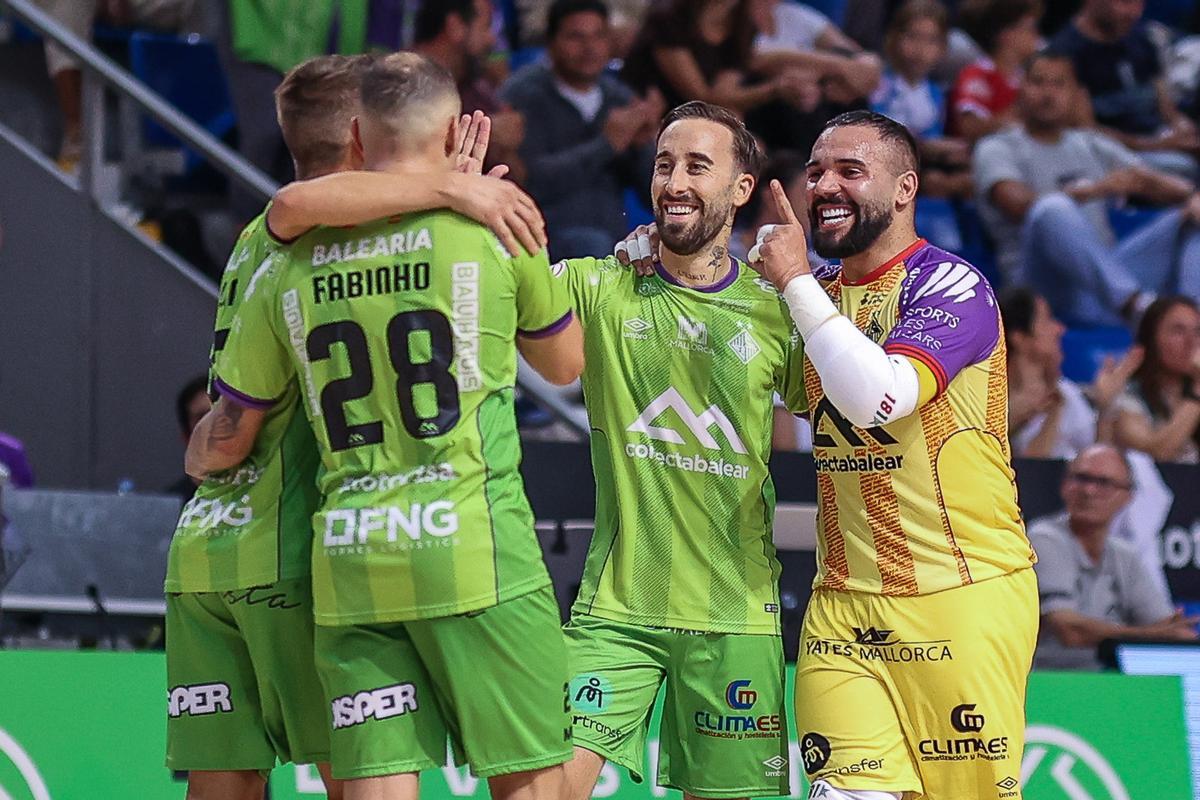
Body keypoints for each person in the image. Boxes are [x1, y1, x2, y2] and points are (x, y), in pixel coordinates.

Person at [185, 53, 583, 800]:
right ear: (454, 133)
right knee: (530, 778)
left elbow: (229, 428)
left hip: (352, 554)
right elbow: (565, 365)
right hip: (474, 544)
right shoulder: (495, 228)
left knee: (373, 782)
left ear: (359, 138)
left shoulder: (292, 255)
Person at [754, 109, 1037, 798]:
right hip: (843, 605)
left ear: (905, 188)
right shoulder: (811, 295)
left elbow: (878, 399)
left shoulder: (952, 286)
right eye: (816, 171)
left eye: (850, 171)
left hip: (961, 595)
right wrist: (662, 260)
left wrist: (793, 284)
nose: (825, 186)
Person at [560, 101, 806, 800]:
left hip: (736, 616)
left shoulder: (776, 309)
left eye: (698, 166)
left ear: (741, 188)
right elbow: (494, 299)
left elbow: (848, 403)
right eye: (664, 165)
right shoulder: (601, 284)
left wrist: (805, 282)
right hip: (616, 611)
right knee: (540, 789)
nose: (674, 182)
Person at [973, 50, 1200, 322]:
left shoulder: (1089, 143)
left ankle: (1193, 325)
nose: (1048, 93)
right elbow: (1018, 205)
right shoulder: (997, 147)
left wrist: (1190, 195)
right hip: (1043, 290)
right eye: (1038, 82)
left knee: (1193, 215)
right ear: (1021, 89)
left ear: (1076, 94)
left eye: (1058, 84)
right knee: (1050, 208)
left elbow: (1148, 178)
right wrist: (1096, 190)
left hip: (1107, 277)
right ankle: (1135, 306)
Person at [500, 0, 662, 259]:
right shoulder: (524, 95)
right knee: (594, 245)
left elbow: (649, 195)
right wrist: (606, 145)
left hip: (613, 239)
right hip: (545, 239)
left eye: (599, 36)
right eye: (576, 37)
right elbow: (531, 183)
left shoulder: (619, 97)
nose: (590, 48)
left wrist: (644, 144)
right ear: (551, 43)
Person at [1028, 444, 1197, 670]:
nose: (1089, 491)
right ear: (1064, 485)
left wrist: (1174, 633)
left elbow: (1166, 625)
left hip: (1114, 679)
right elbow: (1069, 631)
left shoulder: (1124, 554)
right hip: (1052, 678)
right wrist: (1150, 635)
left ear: (1127, 496)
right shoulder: (1044, 538)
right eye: (1081, 478)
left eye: (1104, 482)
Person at [1050, 0, 1200, 179]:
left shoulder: (1141, 38)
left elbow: (1167, 108)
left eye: (1139, 3)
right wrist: (1158, 145)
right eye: (1125, 2)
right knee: (1183, 167)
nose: (1134, 13)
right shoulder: (1064, 55)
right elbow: (1087, 131)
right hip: (1112, 157)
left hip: (1159, 139)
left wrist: (1181, 125)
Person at [872, 0, 972, 250]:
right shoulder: (879, 84)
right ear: (894, 38)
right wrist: (928, 147)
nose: (920, 49)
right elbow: (881, 135)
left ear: (943, 48)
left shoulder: (936, 94)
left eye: (931, 41)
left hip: (926, 176)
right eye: (913, 37)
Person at [999, 285, 1142, 458]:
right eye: (1046, 321)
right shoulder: (992, 404)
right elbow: (1029, 467)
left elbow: (1099, 461)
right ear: (1020, 338)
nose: (1060, 329)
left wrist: (1106, 406)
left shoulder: (1068, 392)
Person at [414, 0, 526, 181]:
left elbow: (517, 177)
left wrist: (504, 147)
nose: (492, 39)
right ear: (455, 26)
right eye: (486, 26)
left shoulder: (478, 90)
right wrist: (476, 133)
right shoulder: (401, 83)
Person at [1113, 296, 1200, 463]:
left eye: (1198, 332)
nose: (1191, 342)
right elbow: (1158, 454)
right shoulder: (1127, 396)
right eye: (1178, 331)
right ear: (1151, 339)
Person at [949, 0, 1043, 143]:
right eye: (1030, 28)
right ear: (1006, 34)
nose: (1036, 35)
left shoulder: (1027, 78)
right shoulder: (977, 74)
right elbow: (969, 127)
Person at [163, 374, 209, 501]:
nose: (215, 427)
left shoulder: (259, 491)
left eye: (220, 414)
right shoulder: (173, 504)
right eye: (203, 417)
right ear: (186, 437)